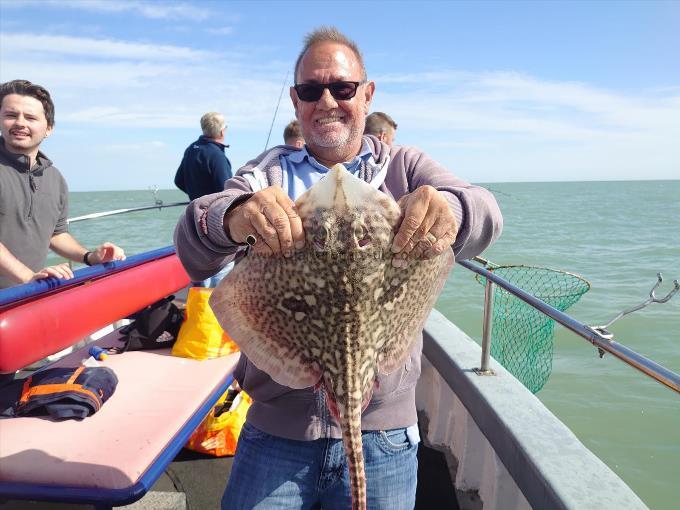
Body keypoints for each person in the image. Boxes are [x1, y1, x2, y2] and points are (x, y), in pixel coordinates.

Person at [174, 27, 503, 509]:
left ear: (367, 94)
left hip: (385, 437)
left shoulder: (404, 167)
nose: (327, 100)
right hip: (276, 434)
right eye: (311, 90)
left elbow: (486, 213)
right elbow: (193, 244)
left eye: (342, 88)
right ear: (296, 101)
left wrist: (447, 211)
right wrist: (233, 215)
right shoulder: (265, 174)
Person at [0, 79, 125, 290]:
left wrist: (90, 257)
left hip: (26, 296)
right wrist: (28, 277)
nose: (20, 123)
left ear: (48, 128)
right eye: (11, 115)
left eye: (30, 117)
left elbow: (56, 234)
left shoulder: (55, 178)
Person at [174, 111, 232, 201]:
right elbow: (227, 191)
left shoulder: (191, 149)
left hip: (195, 210)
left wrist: (197, 198)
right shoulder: (217, 156)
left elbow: (179, 181)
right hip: (213, 212)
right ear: (222, 132)